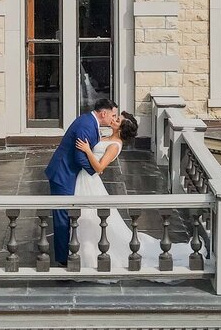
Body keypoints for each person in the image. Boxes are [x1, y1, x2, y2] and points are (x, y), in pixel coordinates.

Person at [72, 112, 192, 271]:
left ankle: (89, 259)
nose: (114, 119)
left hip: (90, 180)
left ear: (121, 129)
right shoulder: (108, 137)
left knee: (89, 218)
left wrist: (87, 150)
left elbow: (100, 167)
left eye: (118, 120)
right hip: (85, 178)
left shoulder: (115, 145)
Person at [44, 98, 120, 266]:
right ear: (103, 113)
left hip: (70, 174)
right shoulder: (87, 125)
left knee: (67, 214)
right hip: (63, 174)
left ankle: (68, 253)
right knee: (62, 216)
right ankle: (63, 259)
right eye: (112, 115)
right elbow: (79, 157)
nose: (113, 119)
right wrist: (96, 171)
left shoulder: (90, 122)